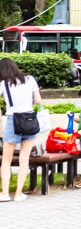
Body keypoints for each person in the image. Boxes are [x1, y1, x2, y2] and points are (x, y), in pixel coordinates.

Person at [1, 57, 43, 202]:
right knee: (24, 159)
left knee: (6, 160)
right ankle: (19, 194)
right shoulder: (30, 79)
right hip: (29, 120)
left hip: (12, 120)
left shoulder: (3, 83)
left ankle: (5, 194)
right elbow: (38, 100)